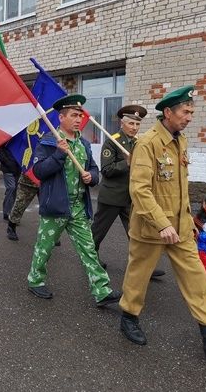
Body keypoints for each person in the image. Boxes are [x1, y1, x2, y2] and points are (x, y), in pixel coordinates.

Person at [119, 85, 206, 364]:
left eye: (191, 111)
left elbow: (178, 188)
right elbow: (140, 190)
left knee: (196, 278)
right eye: (185, 111)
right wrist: (161, 223)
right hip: (152, 229)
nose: (189, 117)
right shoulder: (148, 143)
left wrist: (188, 220)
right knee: (138, 277)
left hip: (180, 229)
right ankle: (129, 317)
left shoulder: (180, 141)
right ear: (168, 112)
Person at [27, 94, 121, 307]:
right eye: (73, 115)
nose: (79, 119)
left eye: (80, 115)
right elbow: (39, 171)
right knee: (45, 247)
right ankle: (35, 280)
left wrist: (91, 177)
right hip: (56, 207)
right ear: (61, 118)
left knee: (89, 249)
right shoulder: (49, 142)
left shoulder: (84, 144)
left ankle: (102, 290)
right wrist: (59, 155)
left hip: (78, 207)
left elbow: (95, 169)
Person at [90, 105, 165, 278]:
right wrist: (127, 163)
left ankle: (145, 267)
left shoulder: (138, 142)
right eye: (131, 124)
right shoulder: (112, 141)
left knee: (136, 234)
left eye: (137, 125)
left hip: (131, 197)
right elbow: (107, 170)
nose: (134, 127)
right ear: (122, 124)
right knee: (98, 232)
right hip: (112, 197)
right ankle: (90, 258)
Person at [6, 172, 39, 241]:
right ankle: (11, 226)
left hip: (47, 180)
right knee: (20, 204)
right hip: (28, 180)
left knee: (49, 206)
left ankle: (50, 232)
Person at [0, 145, 21, 221]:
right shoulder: (3, 138)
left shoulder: (17, 137)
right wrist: (8, 163)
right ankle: (7, 212)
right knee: (11, 188)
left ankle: (13, 213)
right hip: (8, 169)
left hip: (18, 168)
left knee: (15, 190)